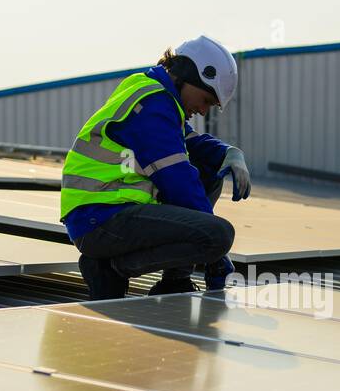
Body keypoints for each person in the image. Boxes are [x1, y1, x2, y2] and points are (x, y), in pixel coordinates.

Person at [61, 35, 251, 300]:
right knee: (218, 235)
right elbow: (178, 183)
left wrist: (228, 153)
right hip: (100, 220)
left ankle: (175, 282)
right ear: (189, 76)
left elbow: (191, 142)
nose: (204, 110)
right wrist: (217, 255)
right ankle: (111, 268)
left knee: (211, 168)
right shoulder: (153, 107)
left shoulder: (155, 94)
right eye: (206, 99)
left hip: (111, 213)